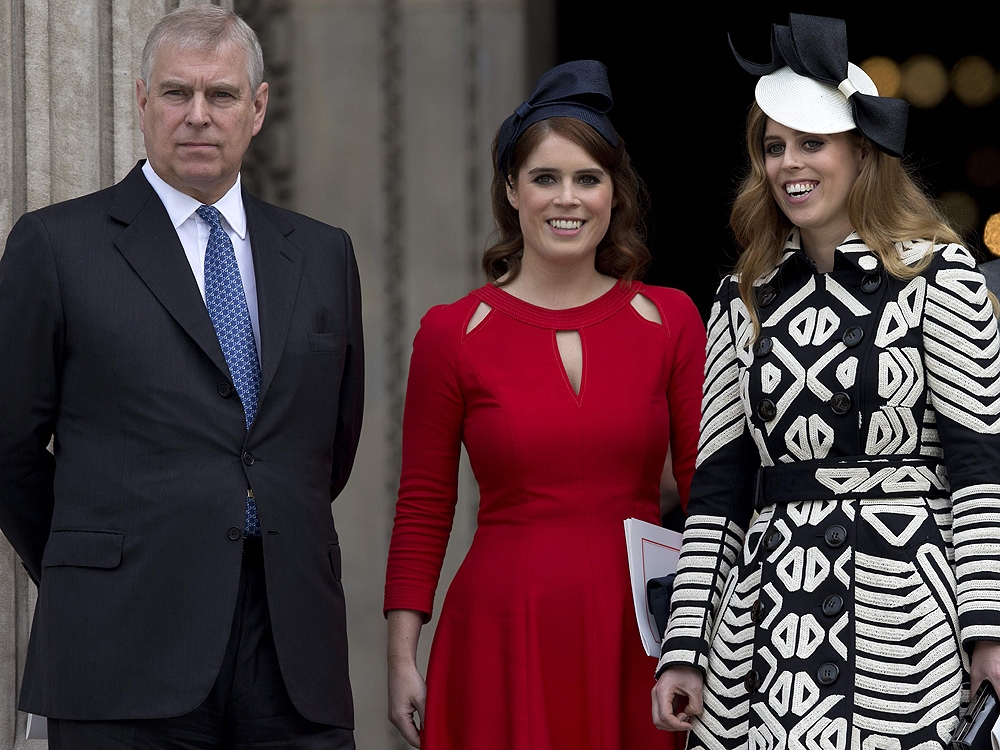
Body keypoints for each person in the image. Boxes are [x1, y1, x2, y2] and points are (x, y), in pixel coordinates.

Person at [0, 6, 363, 749]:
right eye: (176, 94)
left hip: (289, 647)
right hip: (120, 642)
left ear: (258, 109)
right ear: (141, 101)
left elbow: (328, 445)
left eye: (221, 95)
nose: (198, 116)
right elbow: (7, 450)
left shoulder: (324, 255)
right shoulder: (55, 246)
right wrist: (92, 564)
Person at [651, 13, 1000, 748]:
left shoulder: (941, 276)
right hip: (769, 626)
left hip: (903, 625)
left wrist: (989, 630)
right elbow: (717, 490)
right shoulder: (740, 295)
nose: (787, 164)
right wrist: (685, 649)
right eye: (773, 147)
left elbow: (979, 472)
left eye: (811, 143)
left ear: (863, 151)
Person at [383, 60, 706, 750]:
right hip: (499, 629)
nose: (568, 199)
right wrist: (401, 655)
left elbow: (711, 492)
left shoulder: (671, 319)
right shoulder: (451, 331)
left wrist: (709, 637)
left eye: (588, 178)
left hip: (639, 632)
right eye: (545, 178)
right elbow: (423, 502)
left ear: (615, 193)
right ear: (512, 189)